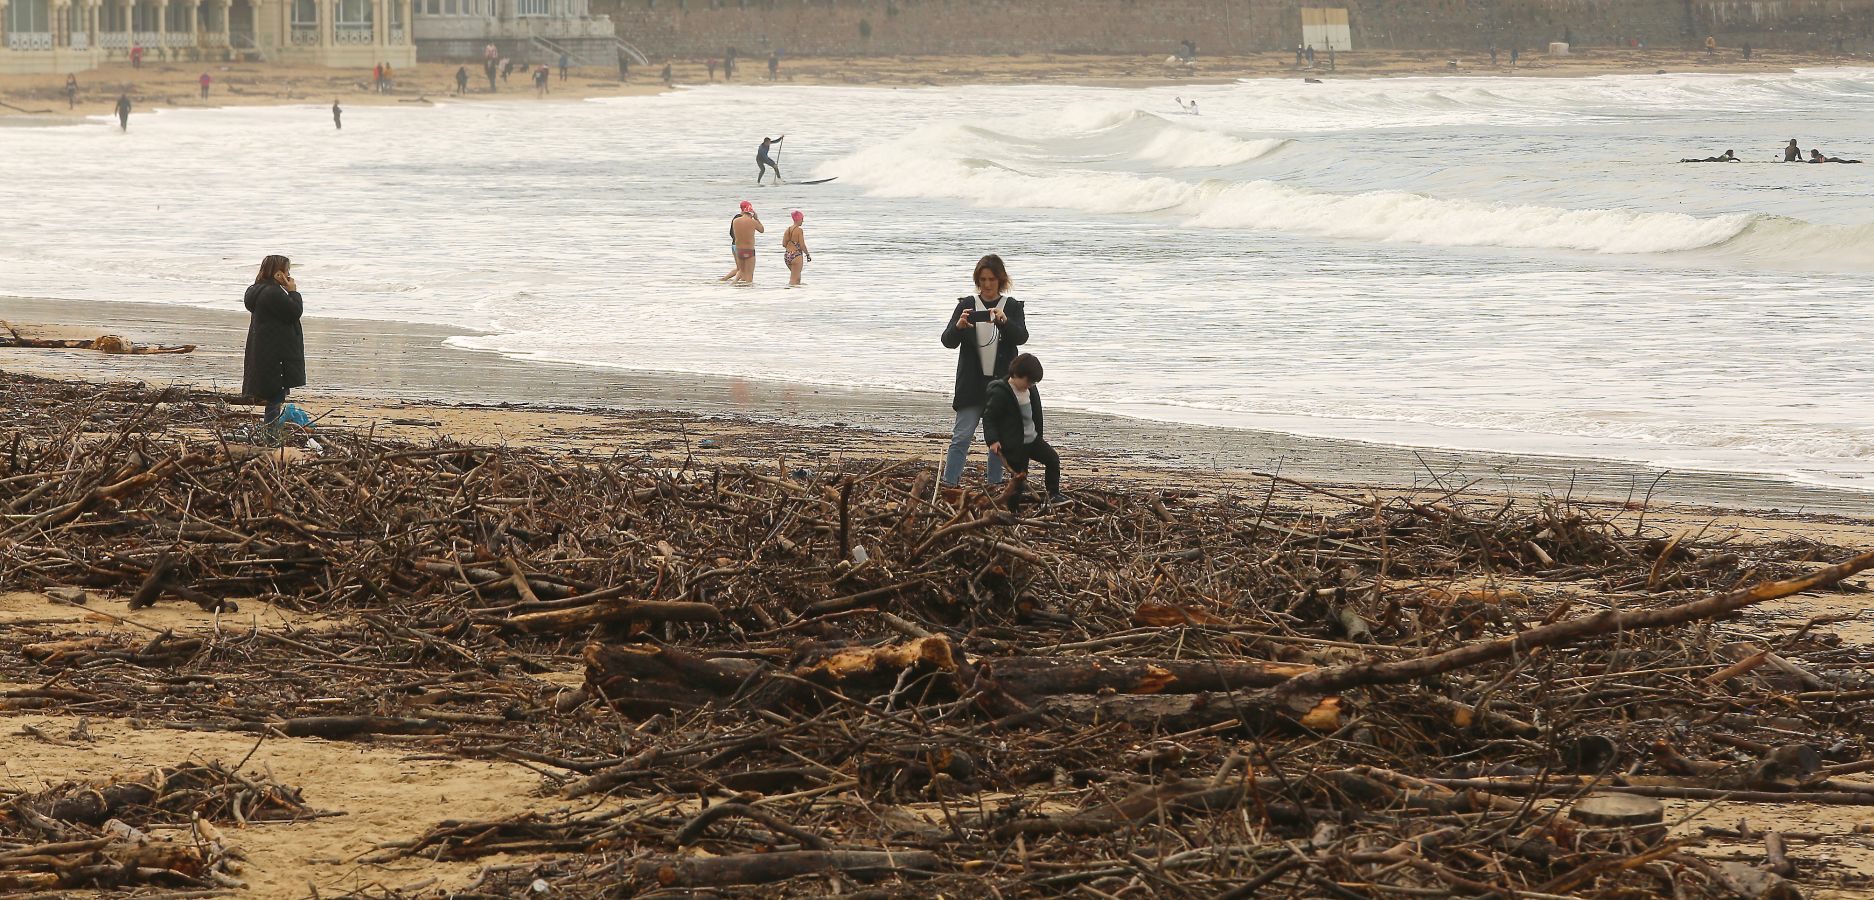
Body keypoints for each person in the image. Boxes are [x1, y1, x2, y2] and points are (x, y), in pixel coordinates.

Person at [939, 254, 1028, 492]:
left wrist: (1004, 322)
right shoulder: (966, 304)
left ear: (1001, 280)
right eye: (982, 279)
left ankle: (995, 485)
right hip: (971, 385)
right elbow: (947, 341)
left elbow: (1021, 337)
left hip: (1001, 386)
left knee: (999, 441)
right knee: (961, 437)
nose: (987, 285)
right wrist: (958, 327)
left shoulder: (1011, 306)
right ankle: (950, 483)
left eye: (991, 279)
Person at [982, 353, 1061, 511]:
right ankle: (1013, 511)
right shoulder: (1000, 391)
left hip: (1033, 439)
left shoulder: (1031, 390)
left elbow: (1036, 413)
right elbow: (989, 418)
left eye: (1033, 382)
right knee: (1018, 480)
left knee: (1053, 459)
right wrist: (992, 440)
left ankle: (1053, 494)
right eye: (1028, 381)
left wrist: (1039, 433)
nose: (1030, 385)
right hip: (1014, 444)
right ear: (1017, 374)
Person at [243, 255, 307, 432]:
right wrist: (293, 291)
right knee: (275, 397)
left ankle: (270, 433)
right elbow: (294, 311)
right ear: (278, 273)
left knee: (274, 395)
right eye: (287, 270)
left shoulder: (257, 290)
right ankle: (271, 435)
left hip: (266, 351)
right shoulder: (273, 293)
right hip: (275, 353)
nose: (289, 274)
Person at [729, 201, 764, 284]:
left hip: (739, 250)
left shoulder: (736, 221)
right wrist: (756, 218)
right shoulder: (753, 222)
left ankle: (734, 285)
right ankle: (748, 294)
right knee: (749, 278)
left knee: (741, 271)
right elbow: (762, 230)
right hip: (749, 251)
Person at [782, 209, 811, 287]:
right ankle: (793, 295)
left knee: (794, 277)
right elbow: (802, 245)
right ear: (798, 219)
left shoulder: (787, 230)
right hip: (796, 255)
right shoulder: (799, 230)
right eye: (802, 219)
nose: (803, 221)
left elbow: (784, 244)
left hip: (787, 255)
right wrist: (807, 254)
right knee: (795, 280)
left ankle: (793, 293)